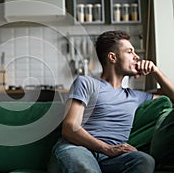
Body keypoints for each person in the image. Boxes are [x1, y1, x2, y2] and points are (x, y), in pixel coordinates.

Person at [50, 30, 174, 173]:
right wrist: (108, 148)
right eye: (129, 52)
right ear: (112, 57)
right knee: (86, 168)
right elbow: (70, 128)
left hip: (112, 159)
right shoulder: (87, 83)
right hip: (78, 149)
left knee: (144, 160)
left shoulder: (136, 96)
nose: (136, 57)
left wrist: (155, 71)